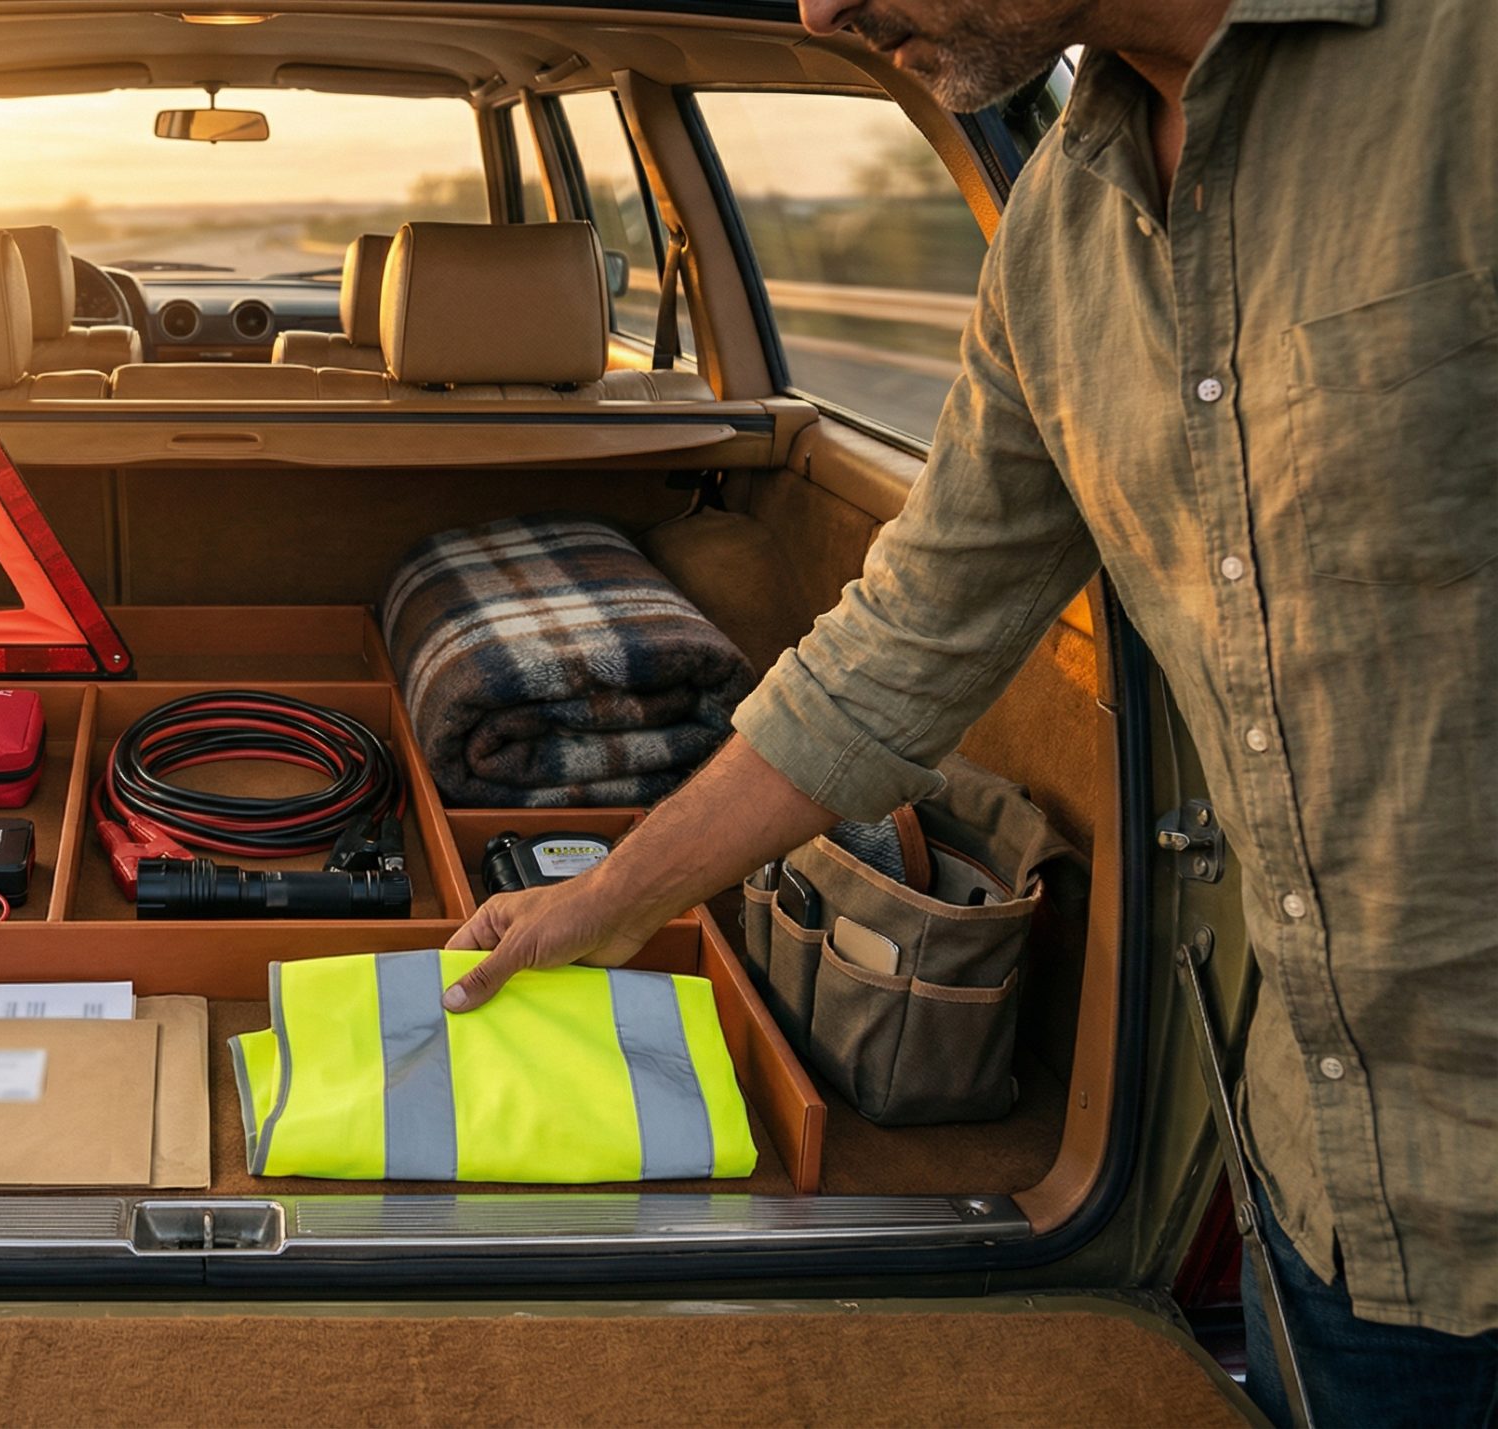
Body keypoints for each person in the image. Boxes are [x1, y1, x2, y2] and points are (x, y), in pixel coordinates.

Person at [442, 0, 1498, 1422]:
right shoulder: (1053, 242)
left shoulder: (1460, 60)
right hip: (1336, 1209)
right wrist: (614, 900)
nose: (819, 9)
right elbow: (901, 641)